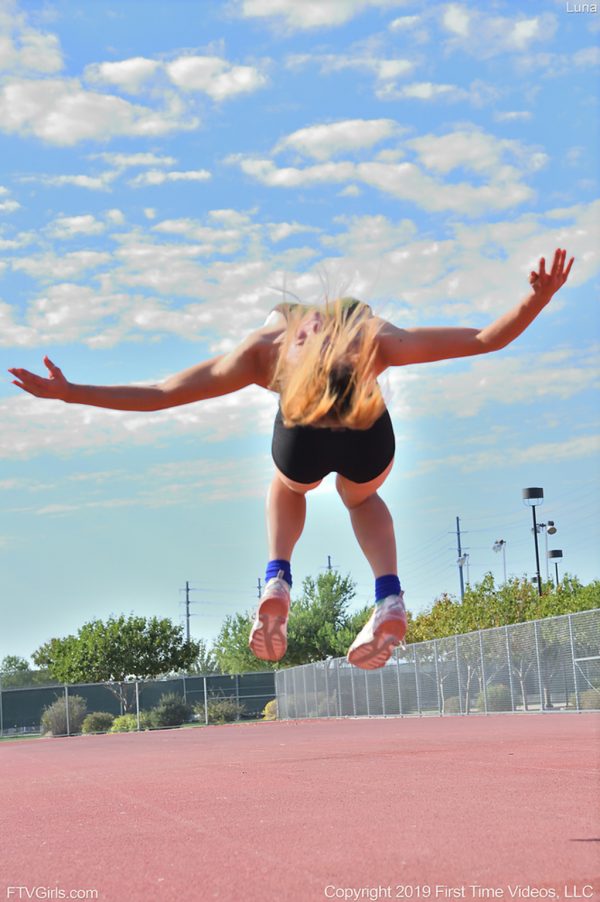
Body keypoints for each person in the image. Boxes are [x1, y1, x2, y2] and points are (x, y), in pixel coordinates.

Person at [9, 248, 574, 669]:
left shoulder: (264, 351)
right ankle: (388, 594)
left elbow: (162, 393)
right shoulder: (371, 335)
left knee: (286, 488)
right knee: (363, 497)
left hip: (299, 436)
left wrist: (72, 392)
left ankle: (277, 575)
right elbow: (482, 339)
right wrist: (536, 299)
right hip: (367, 435)